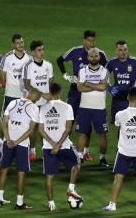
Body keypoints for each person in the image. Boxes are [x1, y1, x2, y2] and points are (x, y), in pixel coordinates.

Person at [56, 30, 107, 161]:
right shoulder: (75, 51)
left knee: (87, 123)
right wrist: (66, 76)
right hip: (75, 91)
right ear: (84, 40)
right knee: (69, 120)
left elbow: (106, 69)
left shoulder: (99, 54)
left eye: (93, 40)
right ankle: (62, 148)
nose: (91, 43)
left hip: (92, 95)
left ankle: (85, 152)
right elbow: (60, 60)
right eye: (89, 40)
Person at [102, 87, 136, 212]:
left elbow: (119, 128)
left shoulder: (120, 114)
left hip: (124, 151)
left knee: (118, 178)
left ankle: (112, 204)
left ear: (128, 97)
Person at [38, 83, 82, 211]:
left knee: (49, 176)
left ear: (50, 92)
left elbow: (40, 130)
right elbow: (68, 129)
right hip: (64, 146)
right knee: (77, 164)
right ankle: (71, 188)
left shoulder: (43, 108)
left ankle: (51, 204)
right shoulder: (67, 107)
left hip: (48, 148)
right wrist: (58, 144)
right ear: (60, 92)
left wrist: (52, 144)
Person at [0, 90, 40, 210]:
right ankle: (19, 203)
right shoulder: (34, 107)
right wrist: (17, 142)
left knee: (4, 169)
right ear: (34, 97)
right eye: (38, 97)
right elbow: (31, 130)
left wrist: (9, 139)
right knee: (21, 172)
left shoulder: (12, 102)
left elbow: (4, 123)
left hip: (7, 142)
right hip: (22, 144)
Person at [76, 48, 110, 167]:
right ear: (88, 57)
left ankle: (102, 158)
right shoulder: (82, 71)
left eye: (96, 56)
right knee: (82, 133)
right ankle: (79, 156)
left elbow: (103, 87)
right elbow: (79, 88)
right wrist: (96, 85)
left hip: (100, 108)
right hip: (84, 107)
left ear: (99, 57)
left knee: (102, 134)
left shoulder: (104, 71)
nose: (94, 58)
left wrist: (87, 83)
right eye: (91, 56)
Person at [23, 40, 54, 161]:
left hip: (46, 103)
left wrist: (49, 93)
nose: (42, 52)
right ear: (33, 52)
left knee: (45, 128)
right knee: (33, 128)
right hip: (33, 103)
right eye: (39, 50)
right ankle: (32, 151)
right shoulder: (28, 66)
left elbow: (51, 81)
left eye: (43, 49)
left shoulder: (48, 65)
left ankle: (45, 150)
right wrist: (41, 93)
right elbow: (26, 84)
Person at [106, 40, 136, 124]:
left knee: (133, 123)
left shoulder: (135, 61)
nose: (123, 52)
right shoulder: (112, 62)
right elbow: (103, 76)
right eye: (120, 50)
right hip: (117, 98)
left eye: (125, 49)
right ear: (116, 51)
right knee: (118, 124)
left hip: (132, 97)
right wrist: (110, 87)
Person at [0, 34, 31, 115]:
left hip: (25, 95)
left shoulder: (29, 57)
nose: (20, 45)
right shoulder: (7, 57)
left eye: (21, 42)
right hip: (10, 93)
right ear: (13, 44)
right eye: (17, 43)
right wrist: (5, 84)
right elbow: (2, 73)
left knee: (24, 118)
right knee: (7, 117)